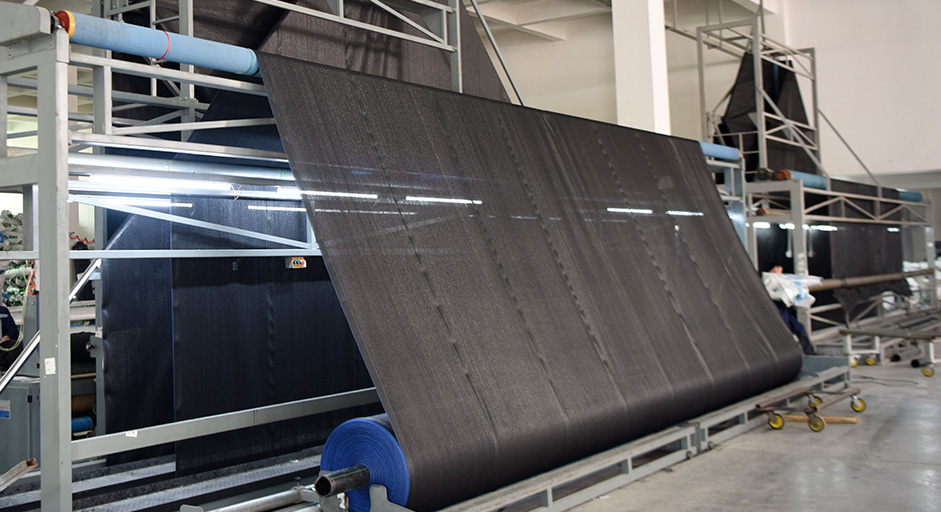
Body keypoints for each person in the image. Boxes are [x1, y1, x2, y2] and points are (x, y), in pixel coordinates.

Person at [767, 264, 816, 355]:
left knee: (799, 328)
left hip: (785, 307)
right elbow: (769, 293)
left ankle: (809, 352)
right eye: (778, 269)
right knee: (786, 329)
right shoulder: (768, 279)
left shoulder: (781, 279)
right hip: (777, 307)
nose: (779, 271)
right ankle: (788, 353)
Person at [0, 305, 22, 372]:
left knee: (18, 347)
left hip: (3, 345)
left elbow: (13, 330)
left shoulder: (3, 311)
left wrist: (7, 336)